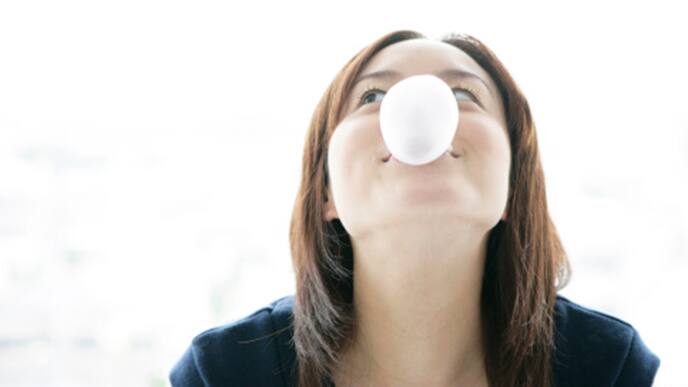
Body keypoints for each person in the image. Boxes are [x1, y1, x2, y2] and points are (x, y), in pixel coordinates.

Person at [169, 30, 661, 387]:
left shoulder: (603, 369)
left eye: (463, 94)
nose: (418, 106)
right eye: (373, 96)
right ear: (326, 194)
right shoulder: (228, 373)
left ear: (513, 188)